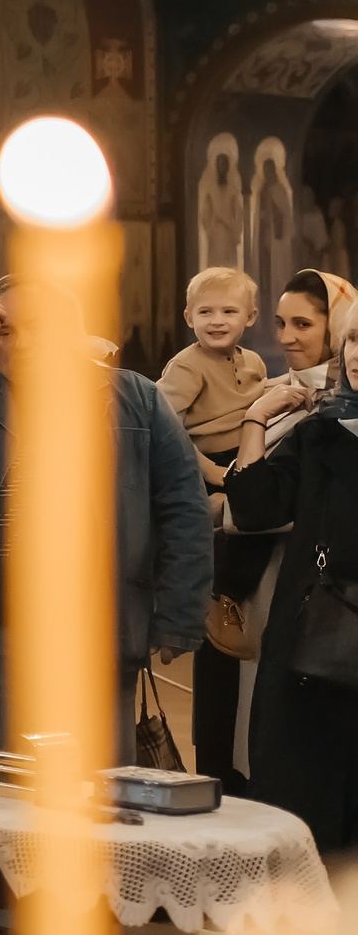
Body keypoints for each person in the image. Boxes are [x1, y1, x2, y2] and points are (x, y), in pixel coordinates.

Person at [0, 275, 209, 784]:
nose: (22, 343)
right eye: (4, 331)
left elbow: (183, 508)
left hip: (95, 630)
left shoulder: (133, 398)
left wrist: (180, 614)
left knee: (97, 788)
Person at [204, 267, 358, 789]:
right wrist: (255, 418)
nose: (287, 337)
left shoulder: (321, 413)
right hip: (273, 590)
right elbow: (252, 502)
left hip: (318, 595)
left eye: (303, 325)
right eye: (280, 323)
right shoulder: (290, 404)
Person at [160, 267, 271, 658]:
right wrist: (208, 471)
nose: (217, 321)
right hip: (206, 460)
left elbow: (253, 397)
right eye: (206, 312)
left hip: (245, 455)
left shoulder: (253, 361)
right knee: (230, 528)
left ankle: (226, 596)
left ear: (250, 317)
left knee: (262, 524)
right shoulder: (188, 365)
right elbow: (164, 421)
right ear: (189, 318)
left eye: (229, 311)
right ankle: (218, 598)